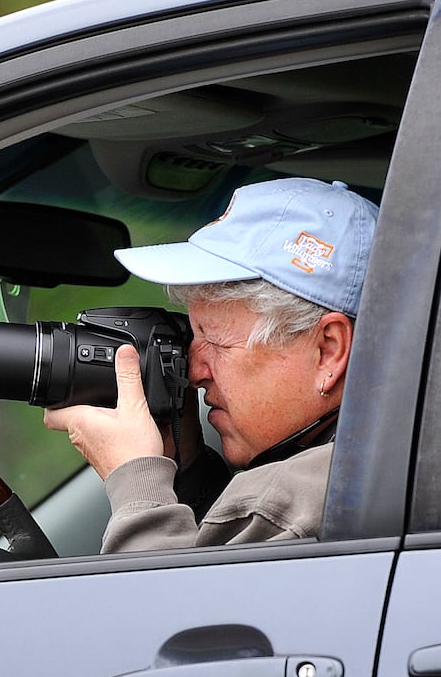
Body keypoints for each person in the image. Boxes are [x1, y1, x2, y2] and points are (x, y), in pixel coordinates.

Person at [44, 177, 378, 552]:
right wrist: (185, 471)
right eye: (192, 334)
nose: (195, 371)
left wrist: (138, 484)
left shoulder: (294, 500)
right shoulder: (376, 471)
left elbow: (168, 608)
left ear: (329, 349)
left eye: (217, 340)